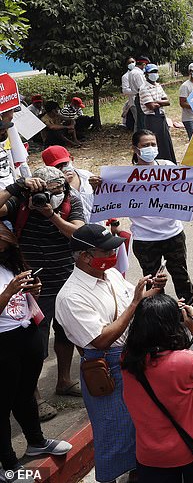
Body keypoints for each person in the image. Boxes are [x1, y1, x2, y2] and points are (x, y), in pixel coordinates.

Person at [56, 223, 167, 483]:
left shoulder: (112, 275)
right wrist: (138, 301)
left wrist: (152, 291)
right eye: (105, 251)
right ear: (85, 257)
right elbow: (102, 339)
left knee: (141, 427)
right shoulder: (71, 297)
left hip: (133, 360)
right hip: (106, 369)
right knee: (114, 433)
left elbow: (131, 303)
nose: (114, 255)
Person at [0, 166, 86, 419]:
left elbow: (78, 233)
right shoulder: (22, 202)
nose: (55, 194)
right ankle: (34, 397)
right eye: (49, 191)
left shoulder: (72, 200)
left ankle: (64, 380)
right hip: (34, 285)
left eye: (59, 189)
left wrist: (52, 216)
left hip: (66, 278)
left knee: (66, 332)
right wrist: (17, 187)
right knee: (36, 342)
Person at [121, 295, 193, 483]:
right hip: (191, 452)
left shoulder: (127, 359)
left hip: (150, 456)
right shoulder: (183, 362)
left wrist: (157, 309)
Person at [0, 222, 73, 477]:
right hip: (2, 342)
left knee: (24, 394)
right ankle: (8, 464)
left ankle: (36, 442)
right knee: (3, 402)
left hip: (26, 331)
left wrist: (34, 292)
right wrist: (9, 291)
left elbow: (24, 301)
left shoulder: (10, 262)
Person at [128, 131, 193, 307]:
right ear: (135, 149)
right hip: (145, 239)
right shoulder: (124, 178)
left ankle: (189, 311)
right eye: (145, 145)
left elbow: (185, 185)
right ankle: (160, 315)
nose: (151, 148)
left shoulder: (167, 166)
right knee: (153, 282)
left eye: (153, 144)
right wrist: (99, 185)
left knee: (181, 275)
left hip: (173, 233)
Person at [41, 146, 99, 222]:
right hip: (74, 230)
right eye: (57, 167)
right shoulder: (51, 186)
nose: (63, 168)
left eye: (65, 164)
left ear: (71, 159)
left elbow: (103, 201)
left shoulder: (87, 175)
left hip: (97, 226)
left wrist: (97, 188)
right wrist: (62, 183)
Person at [140, 64, 177, 163]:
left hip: (161, 117)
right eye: (151, 72)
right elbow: (151, 106)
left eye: (155, 72)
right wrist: (160, 101)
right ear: (146, 75)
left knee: (166, 142)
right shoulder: (144, 88)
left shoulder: (158, 85)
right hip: (152, 118)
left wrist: (156, 101)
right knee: (157, 142)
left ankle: (169, 163)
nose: (154, 74)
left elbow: (167, 101)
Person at [122, 57, 148, 131]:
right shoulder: (131, 75)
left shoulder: (134, 73)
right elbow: (125, 90)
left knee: (140, 122)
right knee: (140, 123)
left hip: (138, 99)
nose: (131, 64)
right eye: (129, 63)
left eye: (133, 62)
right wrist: (136, 91)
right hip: (135, 100)